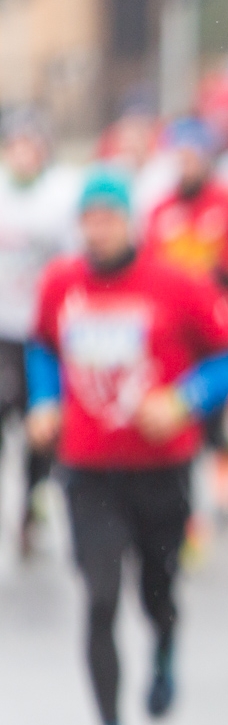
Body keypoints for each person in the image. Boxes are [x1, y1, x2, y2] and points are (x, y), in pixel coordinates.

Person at [25, 167, 228, 725]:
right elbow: (43, 347)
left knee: (157, 590)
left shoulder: (176, 284)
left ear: (131, 222)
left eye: (109, 216)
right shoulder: (62, 282)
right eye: (88, 217)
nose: (97, 228)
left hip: (160, 469)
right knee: (98, 598)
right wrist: (44, 400)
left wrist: (185, 399)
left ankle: (167, 642)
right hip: (88, 469)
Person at [145, 117, 228, 520]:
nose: (186, 165)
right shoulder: (162, 210)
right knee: (194, 402)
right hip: (182, 325)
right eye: (179, 158)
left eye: (193, 157)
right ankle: (201, 489)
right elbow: (150, 264)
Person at [0, 112, 80, 556]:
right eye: (14, 146)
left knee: (41, 422)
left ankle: (33, 500)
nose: (21, 155)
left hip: (43, 329)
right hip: (2, 326)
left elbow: (76, 258)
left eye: (30, 146)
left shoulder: (61, 197)